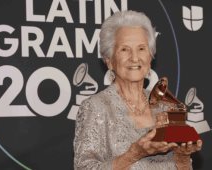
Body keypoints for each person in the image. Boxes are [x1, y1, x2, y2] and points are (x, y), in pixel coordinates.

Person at [73, 10, 202, 170]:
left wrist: (182, 157)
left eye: (141, 48)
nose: (134, 57)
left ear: (150, 56)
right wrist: (134, 153)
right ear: (109, 61)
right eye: (124, 49)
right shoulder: (95, 107)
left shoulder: (166, 107)